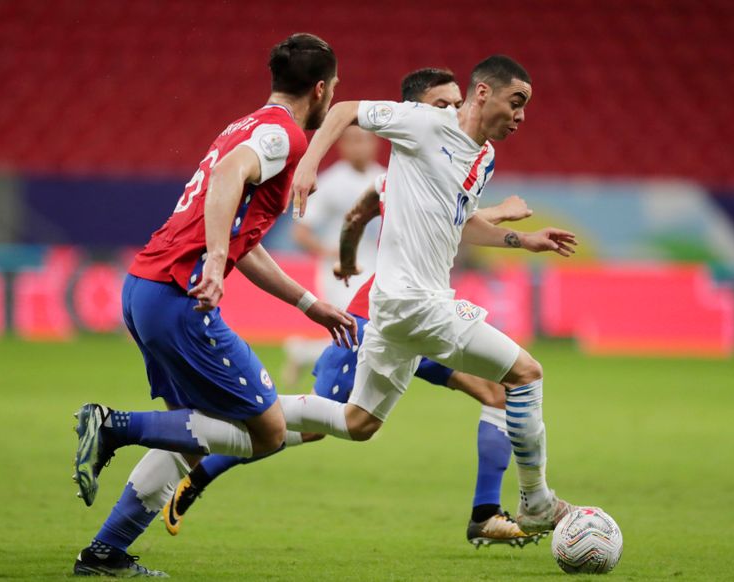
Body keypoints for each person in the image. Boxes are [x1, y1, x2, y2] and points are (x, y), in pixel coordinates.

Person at [162, 69, 540, 548]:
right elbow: (360, 215)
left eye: (454, 103)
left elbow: (442, 218)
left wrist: (511, 227)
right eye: (440, 104)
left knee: (499, 393)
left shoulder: (449, 162)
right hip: (374, 317)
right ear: (416, 109)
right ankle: (207, 455)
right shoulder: (408, 157)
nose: (451, 112)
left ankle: (486, 512)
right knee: (326, 425)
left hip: (418, 314)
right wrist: (342, 265)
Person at [70, 33, 355, 577]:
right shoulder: (283, 135)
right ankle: (113, 426)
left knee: (194, 431)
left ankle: (105, 553)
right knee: (267, 431)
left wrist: (307, 303)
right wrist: (217, 263)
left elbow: (242, 234)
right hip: (179, 294)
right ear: (320, 90)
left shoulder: (242, 126)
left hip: (146, 288)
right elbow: (227, 180)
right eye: (335, 87)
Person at [280, 55, 579, 535]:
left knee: (358, 422)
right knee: (524, 375)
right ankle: (537, 502)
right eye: (516, 101)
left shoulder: (483, 158)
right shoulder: (422, 123)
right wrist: (307, 166)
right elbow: (343, 111)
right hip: (415, 303)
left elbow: (458, 224)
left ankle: (241, 409)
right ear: (483, 92)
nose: (522, 115)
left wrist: (523, 240)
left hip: (400, 311)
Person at [282, 125, 385, 388]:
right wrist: (331, 252)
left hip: (377, 268)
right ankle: (336, 393)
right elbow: (300, 232)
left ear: (375, 143)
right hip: (340, 272)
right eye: (353, 141)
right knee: (357, 329)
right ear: (342, 146)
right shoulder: (331, 183)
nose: (359, 146)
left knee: (370, 333)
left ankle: (303, 353)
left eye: (364, 140)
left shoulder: (385, 178)